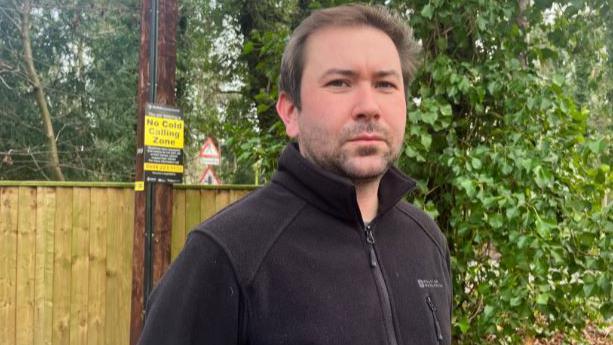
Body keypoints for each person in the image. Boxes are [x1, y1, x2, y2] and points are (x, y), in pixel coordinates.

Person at [138, 4, 452, 345]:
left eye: (385, 84)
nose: (369, 106)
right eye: (340, 82)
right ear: (290, 112)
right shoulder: (225, 256)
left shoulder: (426, 240)